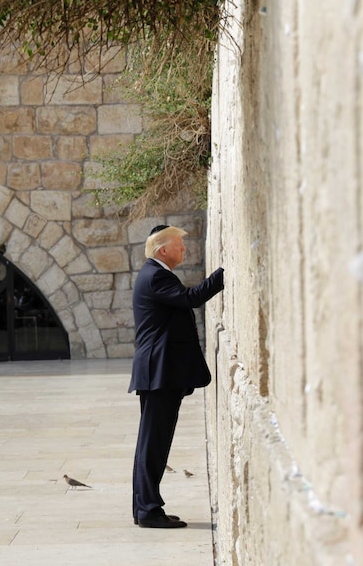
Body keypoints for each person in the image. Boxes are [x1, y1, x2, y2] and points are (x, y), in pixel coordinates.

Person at [130, 224, 225, 528]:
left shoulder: (155, 274)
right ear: (163, 250)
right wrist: (223, 274)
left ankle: (146, 508)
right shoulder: (156, 275)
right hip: (159, 372)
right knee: (153, 444)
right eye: (179, 245)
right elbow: (190, 298)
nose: (184, 249)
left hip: (161, 372)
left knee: (153, 443)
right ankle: (147, 511)